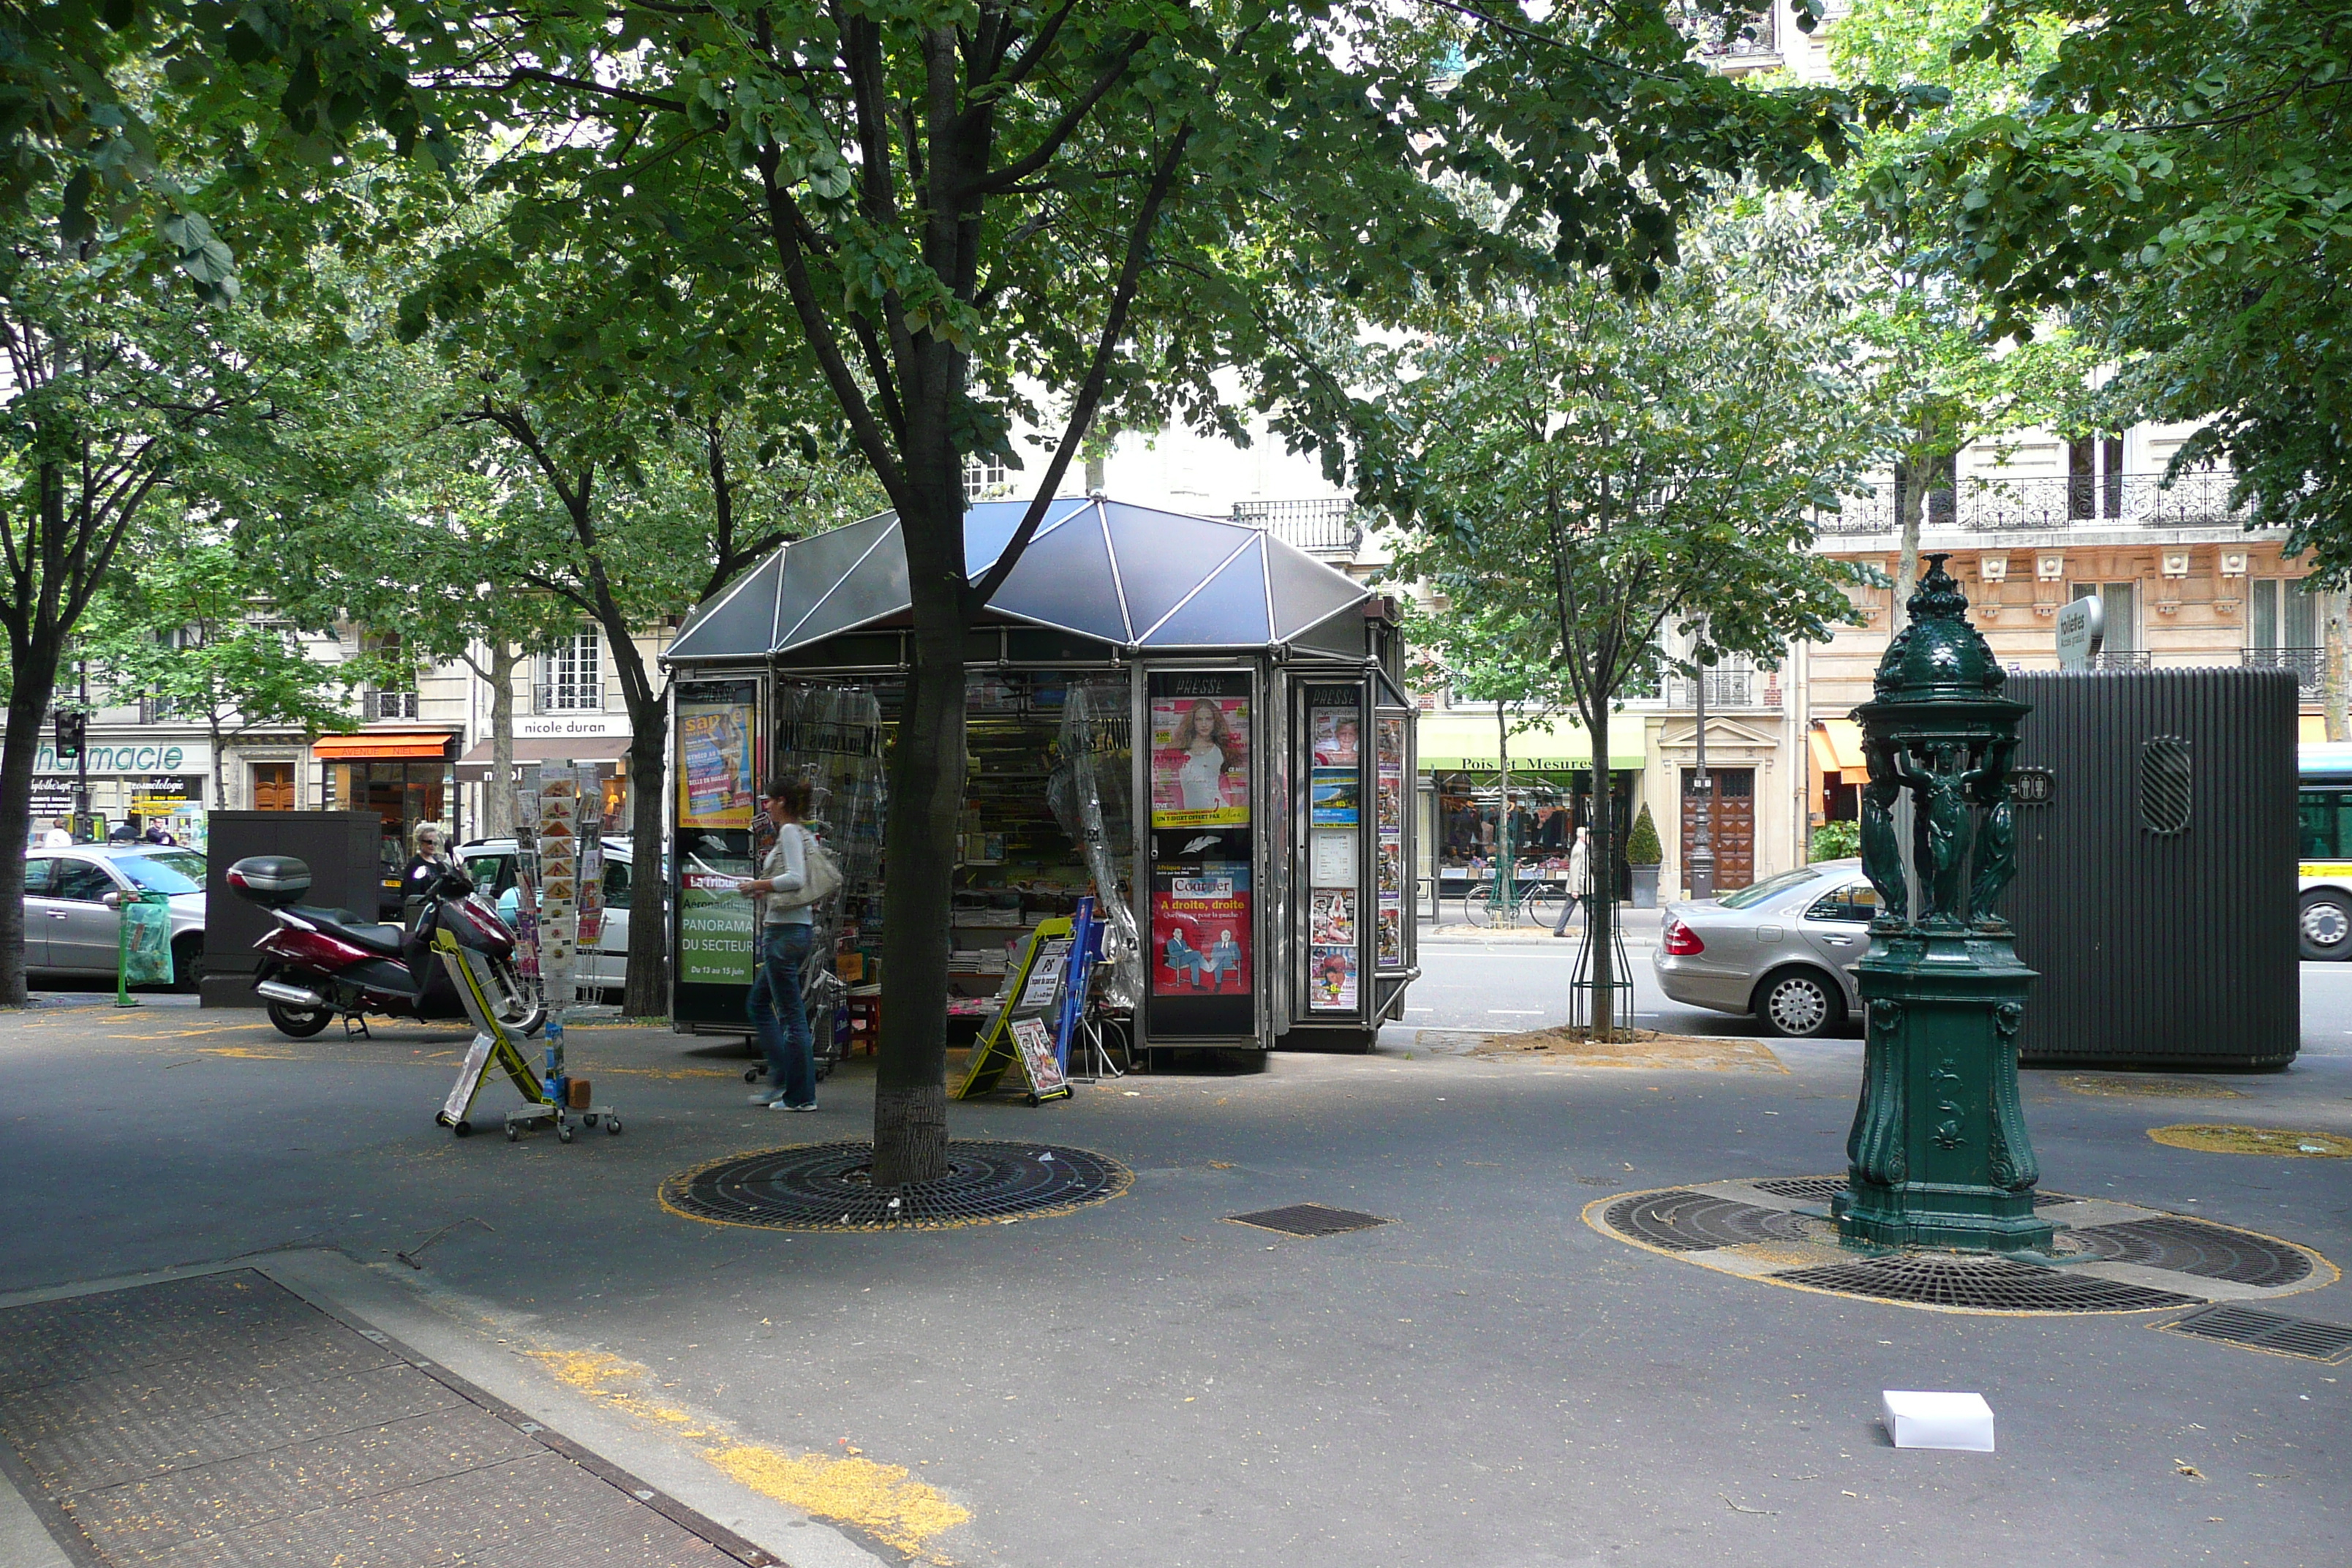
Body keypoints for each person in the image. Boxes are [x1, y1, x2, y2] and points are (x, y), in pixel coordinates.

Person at [739, 777, 818, 1111]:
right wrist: (765, 889)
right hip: (792, 930)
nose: (766, 806)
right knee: (760, 1003)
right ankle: (783, 1078)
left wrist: (760, 883)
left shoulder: (788, 832)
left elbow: (795, 879)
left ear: (783, 801)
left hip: (784, 932)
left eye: (769, 801)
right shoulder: (801, 833)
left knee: (790, 1016)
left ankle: (799, 1095)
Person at [1171, 698, 1238, 813]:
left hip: (1219, 816)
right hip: (1189, 819)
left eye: (1208, 719)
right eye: (1198, 719)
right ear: (1192, 722)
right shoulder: (1180, 749)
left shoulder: (1222, 749)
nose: (1204, 724)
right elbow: (1162, 783)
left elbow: (1235, 788)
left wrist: (1235, 815)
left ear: (1215, 721)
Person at [400, 823, 450, 926]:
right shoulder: (415, 864)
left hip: (440, 913)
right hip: (424, 913)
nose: (432, 846)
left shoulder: (439, 863)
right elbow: (412, 894)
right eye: (429, 842)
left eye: (435, 843)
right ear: (420, 842)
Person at [1553, 825, 1594, 937]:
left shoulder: (1582, 848)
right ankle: (1600, 929)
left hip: (1580, 885)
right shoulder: (1578, 849)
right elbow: (1575, 870)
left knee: (1570, 908)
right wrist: (1575, 889)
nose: (1590, 838)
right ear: (1582, 837)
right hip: (1581, 886)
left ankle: (1559, 930)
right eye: (1588, 836)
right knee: (1592, 909)